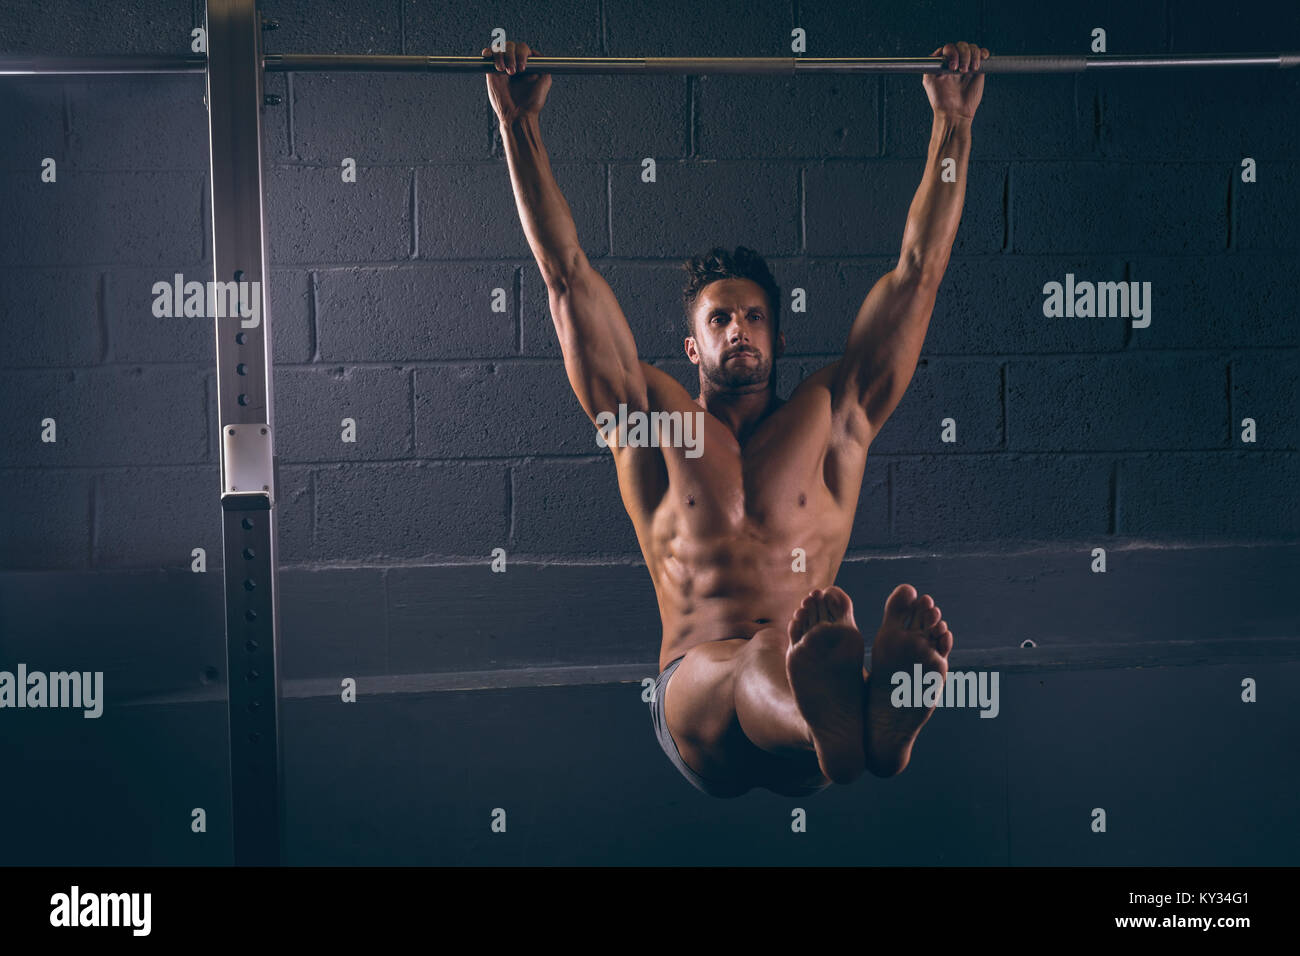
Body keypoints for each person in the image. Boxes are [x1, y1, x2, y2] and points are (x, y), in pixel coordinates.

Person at [485, 39, 989, 796]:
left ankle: (845, 727)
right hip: (695, 695)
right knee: (761, 655)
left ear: (778, 337)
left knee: (778, 654)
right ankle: (846, 716)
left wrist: (953, 126)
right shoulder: (650, 417)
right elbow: (566, 277)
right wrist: (518, 128)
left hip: (803, 705)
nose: (738, 330)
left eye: (754, 317)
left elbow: (919, 277)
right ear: (693, 343)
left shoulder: (832, 416)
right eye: (720, 318)